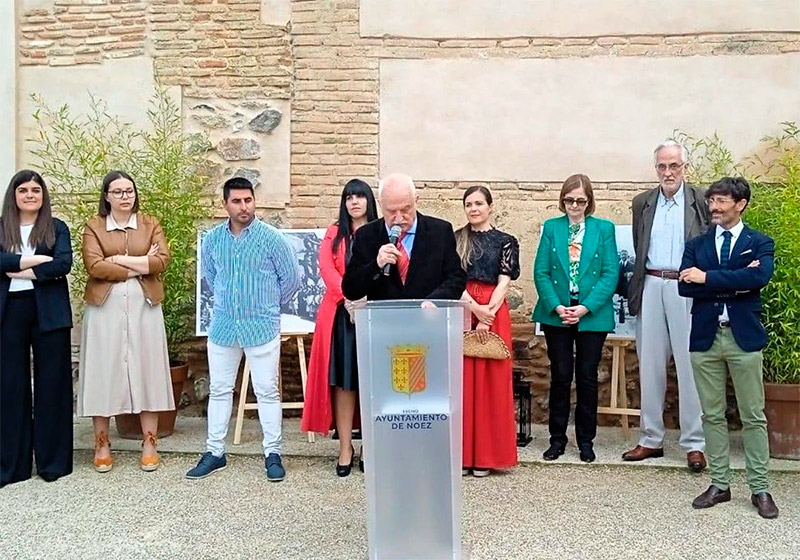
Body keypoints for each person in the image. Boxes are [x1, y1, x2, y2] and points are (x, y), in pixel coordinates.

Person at [187, 177, 300, 482]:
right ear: (224, 204)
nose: (244, 207)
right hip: (224, 326)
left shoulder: (271, 239)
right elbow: (212, 278)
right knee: (220, 389)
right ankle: (214, 452)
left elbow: (291, 280)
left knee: (267, 390)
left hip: (261, 325)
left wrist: (265, 305)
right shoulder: (212, 240)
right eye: (236, 201)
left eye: (248, 200)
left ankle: (273, 453)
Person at [678, 177, 778, 519]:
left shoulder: (760, 243)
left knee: (753, 415)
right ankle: (720, 483)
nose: (715, 207)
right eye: (712, 201)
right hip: (705, 337)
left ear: (741, 204)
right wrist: (736, 280)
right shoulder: (697, 244)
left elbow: (758, 279)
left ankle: (760, 488)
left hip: (744, 338)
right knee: (711, 414)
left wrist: (707, 278)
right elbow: (684, 288)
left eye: (722, 201)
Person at [77, 170, 173, 473]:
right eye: (117, 191)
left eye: (129, 191)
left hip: (145, 306)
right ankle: (102, 443)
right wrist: (139, 264)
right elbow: (95, 266)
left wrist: (118, 260)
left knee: (148, 369)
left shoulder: (150, 223)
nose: (125, 196)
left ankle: (149, 442)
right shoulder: (94, 227)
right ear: (106, 196)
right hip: (104, 307)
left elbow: (162, 261)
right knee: (104, 370)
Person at [624, 140, 710, 472]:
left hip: (687, 286)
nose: (668, 172)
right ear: (655, 169)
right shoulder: (642, 203)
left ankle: (694, 443)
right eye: (662, 166)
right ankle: (650, 439)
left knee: (690, 367)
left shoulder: (700, 200)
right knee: (650, 364)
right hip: (651, 282)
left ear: (684, 167)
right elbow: (639, 244)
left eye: (674, 165)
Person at [532, 174, 619, 463]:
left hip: (590, 314)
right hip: (557, 312)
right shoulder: (551, 227)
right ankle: (557, 439)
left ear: (589, 201)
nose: (574, 205)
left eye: (581, 200)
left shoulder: (603, 229)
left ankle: (586, 440)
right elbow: (541, 272)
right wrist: (557, 306)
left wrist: (585, 307)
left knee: (587, 376)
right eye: (569, 200)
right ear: (562, 200)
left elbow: (610, 274)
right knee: (560, 376)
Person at [1, 170, 73, 487]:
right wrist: (34, 261)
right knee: (10, 386)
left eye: (36, 190)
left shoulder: (57, 228)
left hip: (49, 311)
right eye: (24, 190)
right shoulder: (2, 228)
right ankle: (13, 466)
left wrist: (16, 269)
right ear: (13, 195)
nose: (30, 195)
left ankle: (52, 462)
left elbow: (62, 264)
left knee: (53, 384)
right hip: (9, 313)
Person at [301, 179, 378, 477]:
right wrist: (349, 298)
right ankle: (345, 446)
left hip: (373, 314)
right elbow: (326, 268)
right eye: (349, 197)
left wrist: (366, 300)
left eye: (360, 196)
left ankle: (370, 446)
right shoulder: (334, 233)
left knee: (373, 384)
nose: (354, 202)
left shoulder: (381, 232)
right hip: (341, 315)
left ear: (369, 201)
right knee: (345, 383)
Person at [455, 186, 519, 477]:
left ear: (490, 206)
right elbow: (454, 280)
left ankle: (486, 456)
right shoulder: (456, 239)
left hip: (495, 309)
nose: (474, 208)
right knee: (463, 383)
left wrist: (487, 316)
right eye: (469, 204)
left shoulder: (506, 241)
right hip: (462, 308)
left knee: (491, 383)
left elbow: (504, 282)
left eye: (479, 203)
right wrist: (473, 309)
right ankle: (464, 454)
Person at [342, 173, 466, 302]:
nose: (399, 218)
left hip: (429, 317)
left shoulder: (439, 231)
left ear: (416, 200)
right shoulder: (366, 235)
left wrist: (435, 301)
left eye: (405, 210)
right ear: (381, 205)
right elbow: (350, 290)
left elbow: (456, 278)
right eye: (391, 212)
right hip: (384, 319)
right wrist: (376, 265)